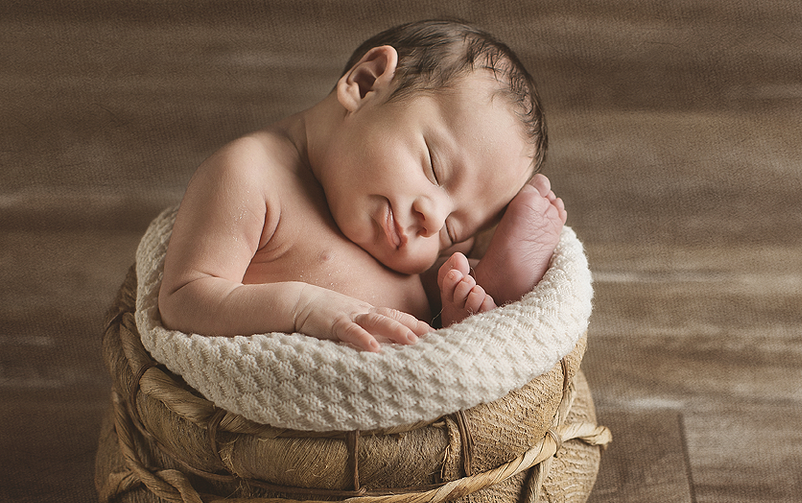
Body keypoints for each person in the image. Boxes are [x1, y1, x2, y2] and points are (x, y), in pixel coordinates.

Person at [158, 19, 567, 352]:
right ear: (367, 83)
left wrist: (450, 289)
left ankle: (486, 296)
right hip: (315, 410)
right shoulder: (249, 173)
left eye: (453, 229)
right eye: (435, 169)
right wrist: (303, 307)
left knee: (449, 281)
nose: (432, 219)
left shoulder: (402, 224)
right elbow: (184, 298)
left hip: (420, 372)